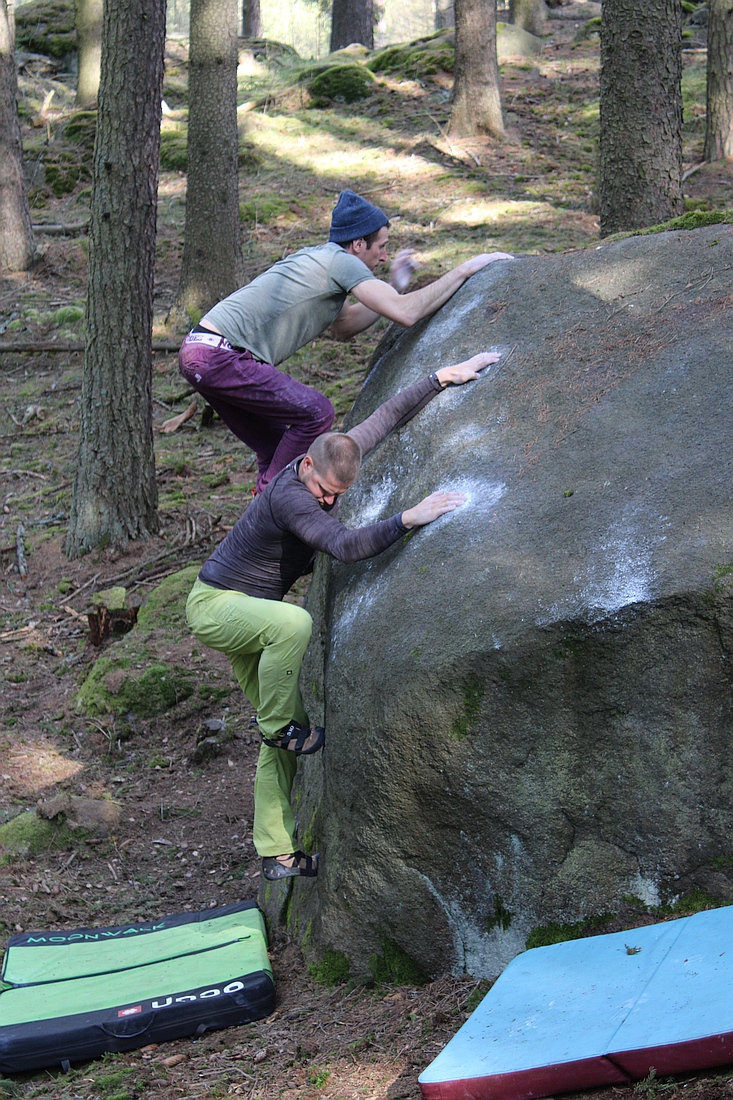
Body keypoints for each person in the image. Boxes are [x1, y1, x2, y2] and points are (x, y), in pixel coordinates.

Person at [185, 349, 502, 882]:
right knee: (294, 627)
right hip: (216, 606)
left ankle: (276, 851)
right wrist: (409, 517)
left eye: (337, 496)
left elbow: (381, 420)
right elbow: (345, 545)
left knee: (286, 737)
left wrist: (441, 377)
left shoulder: (332, 455)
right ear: (306, 465)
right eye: (324, 493)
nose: (328, 503)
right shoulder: (292, 498)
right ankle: (277, 726)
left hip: (248, 617)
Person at [178, 188, 512, 493]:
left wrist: (394, 283)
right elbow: (406, 313)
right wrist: (465, 270)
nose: (383, 257)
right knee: (316, 413)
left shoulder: (321, 263)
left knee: (277, 445)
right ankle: (271, 505)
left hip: (202, 352)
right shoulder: (340, 263)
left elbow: (345, 327)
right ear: (357, 245)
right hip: (220, 356)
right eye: (380, 247)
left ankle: (266, 512)